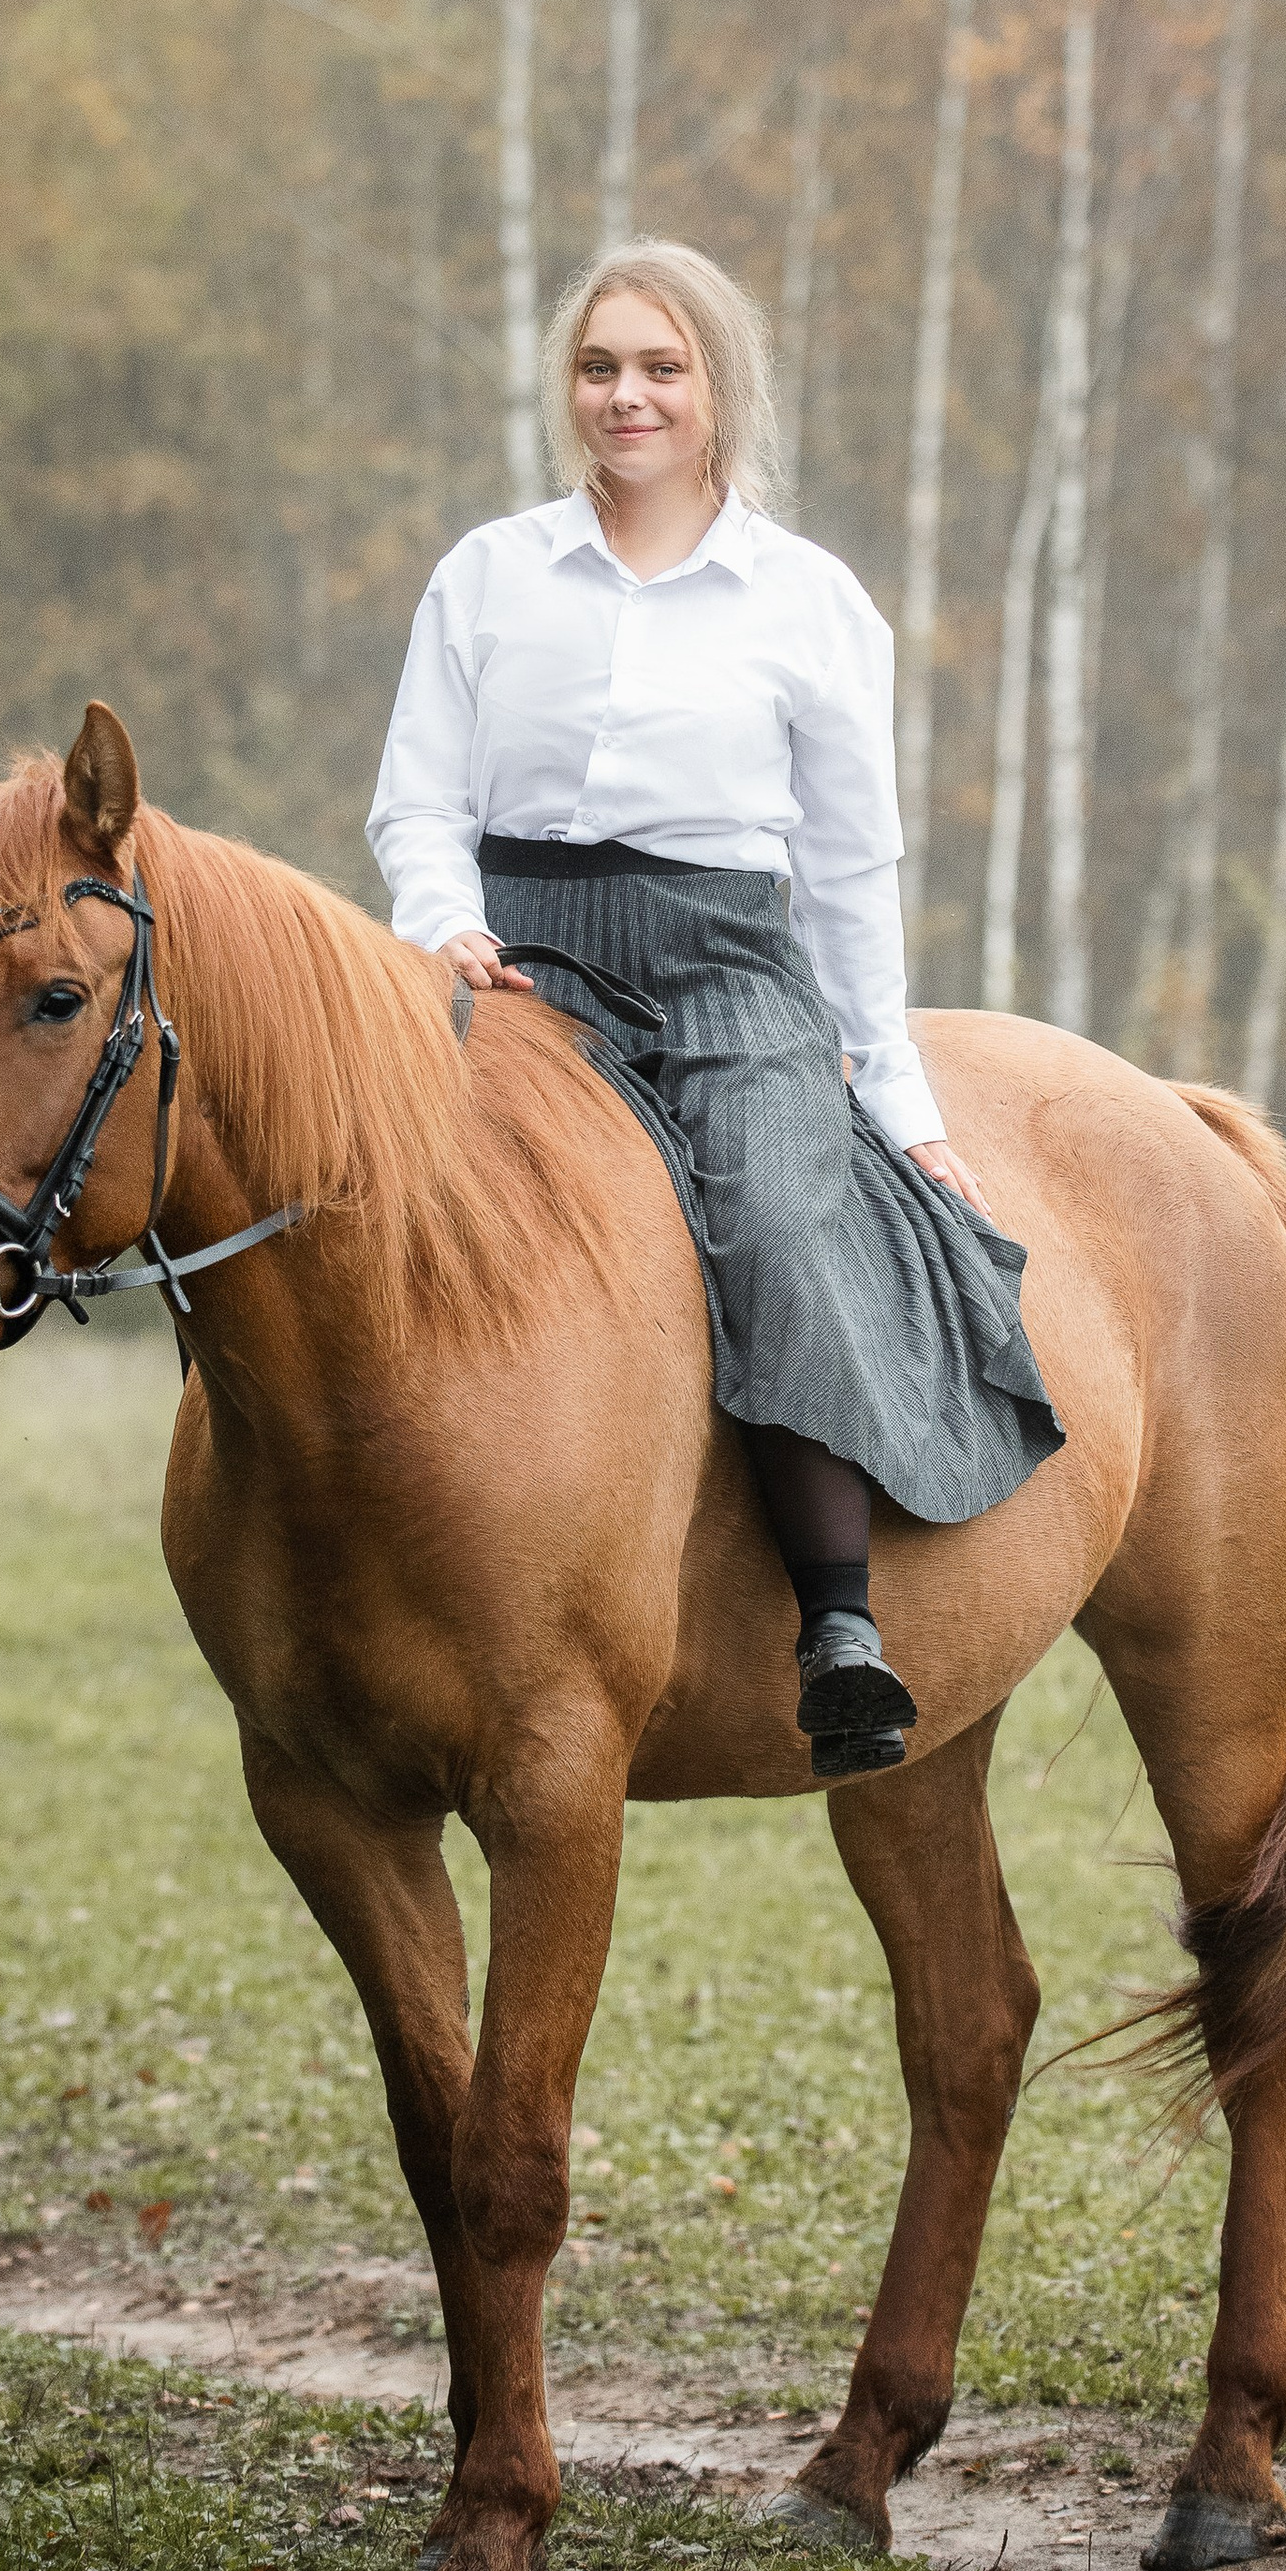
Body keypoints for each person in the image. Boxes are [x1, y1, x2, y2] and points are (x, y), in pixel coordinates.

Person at [367, 239, 1062, 1775]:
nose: (628, 396)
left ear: (717, 389)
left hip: (731, 968)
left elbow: (849, 868)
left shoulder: (810, 605)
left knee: (780, 1214)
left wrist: (898, 1102)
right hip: (523, 960)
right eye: (602, 366)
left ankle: (837, 1621)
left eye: (660, 368)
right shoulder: (487, 575)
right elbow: (417, 805)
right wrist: (449, 929)